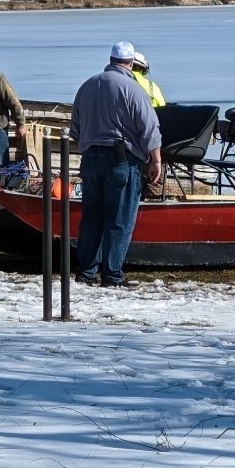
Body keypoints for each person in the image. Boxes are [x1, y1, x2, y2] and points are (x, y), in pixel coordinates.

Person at [69, 41, 163, 287]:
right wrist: (155, 159)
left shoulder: (87, 86)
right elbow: (149, 128)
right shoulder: (132, 89)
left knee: (91, 218)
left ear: (110, 60)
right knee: (119, 219)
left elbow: (75, 129)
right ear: (131, 63)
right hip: (121, 160)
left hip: (90, 159)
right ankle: (112, 276)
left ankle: (86, 272)